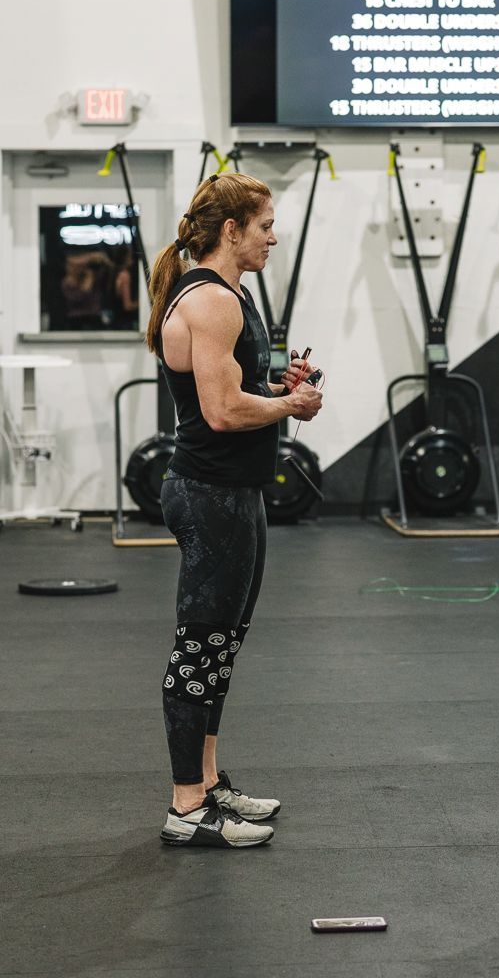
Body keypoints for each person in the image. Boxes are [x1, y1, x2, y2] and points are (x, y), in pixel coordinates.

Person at [145, 171, 323, 848]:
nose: (273, 238)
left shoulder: (229, 294)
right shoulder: (213, 300)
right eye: (264, 226)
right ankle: (186, 808)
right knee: (200, 648)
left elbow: (231, 388)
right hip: (208, 494)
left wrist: (278, 388)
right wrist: (290, 405)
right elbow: (220, 412)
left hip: (232, 492)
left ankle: (208, 781)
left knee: (222, 644)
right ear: (231, 230)